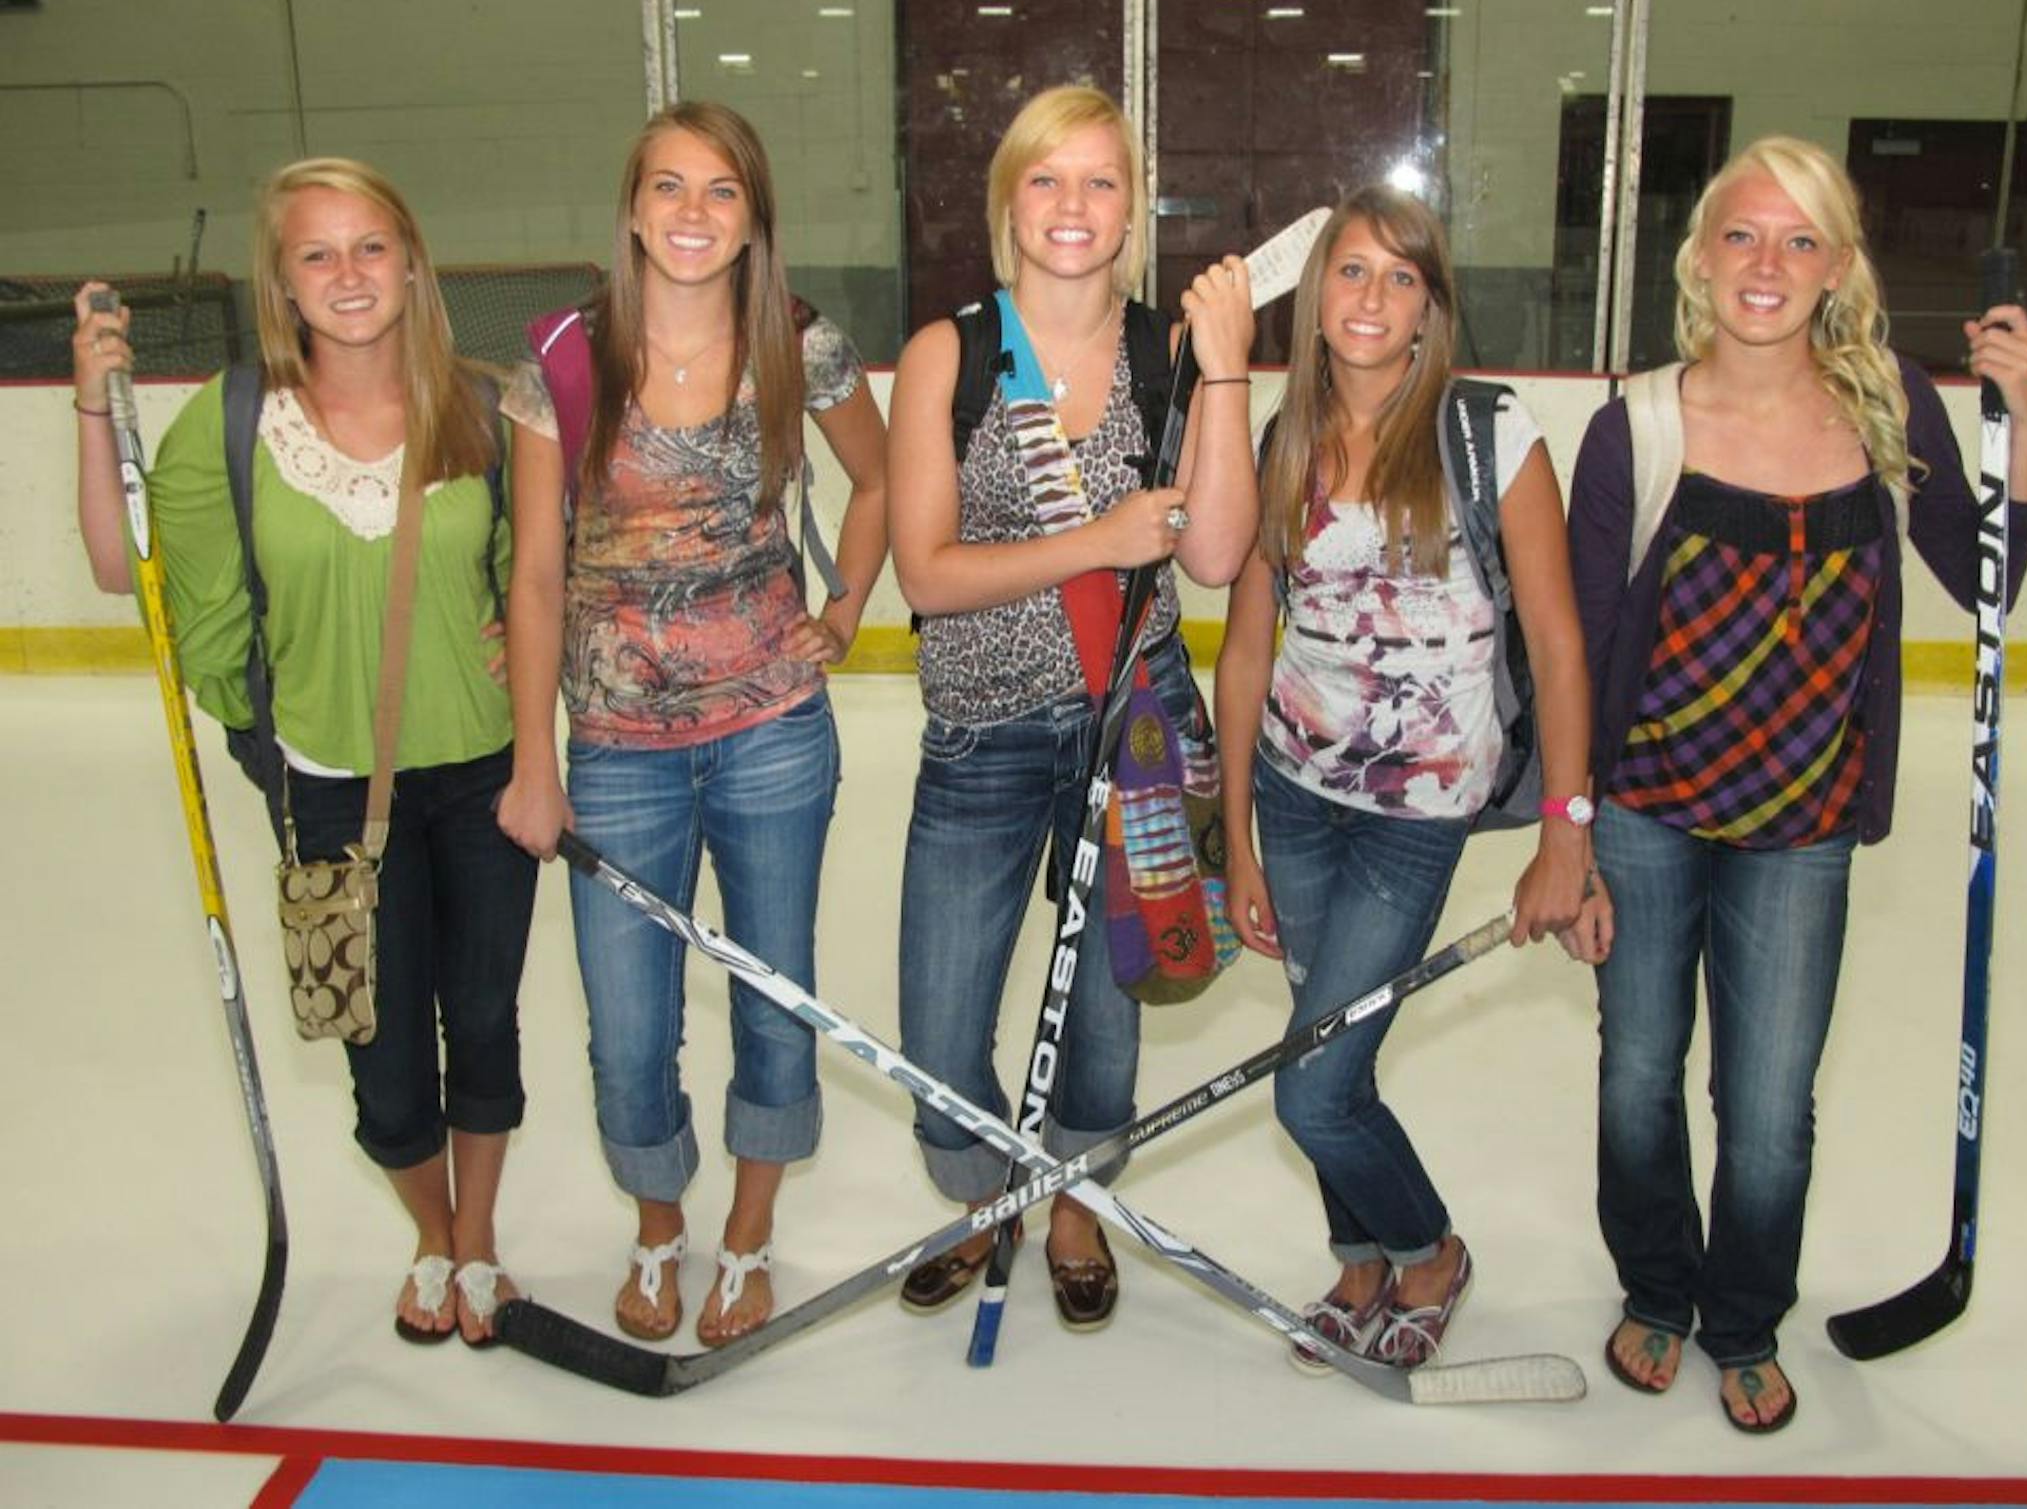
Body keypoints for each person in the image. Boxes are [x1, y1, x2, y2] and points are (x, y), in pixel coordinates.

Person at [1563, 136, 2027, 1432]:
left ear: (1837, 264)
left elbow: (1984, 581)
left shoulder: (1889, 402)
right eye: (1741, 235)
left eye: (1798, 240)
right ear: (1699, 255)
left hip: (1803, 828)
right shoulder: (1640, 425)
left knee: (1770, 1110)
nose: (1765, 265)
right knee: (1638, 1072)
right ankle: (1658, 1290)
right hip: (1647, 814)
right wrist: (1568, 829)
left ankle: (1743, 1318)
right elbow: (1576, 649)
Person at [71, 159, 538, 1347]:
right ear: (280, 281)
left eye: (371, 247)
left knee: (482, 1018)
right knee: (378, 1053)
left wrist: (531, 661)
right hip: (332, 795)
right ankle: (429, 1238)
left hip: (485, 773)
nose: (349, 275)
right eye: (317, 254)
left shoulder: (483, 408)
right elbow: (126, 568)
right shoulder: (234, 423)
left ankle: (477, 1240)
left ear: (413, 261)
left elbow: (545, 576)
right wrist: (90, 408)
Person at [494, 102, 886, 1349]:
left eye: (722, 192)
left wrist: (848, 604)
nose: (693, 215)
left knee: (775, 996)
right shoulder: (561, 359)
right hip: (615, 750)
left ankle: (750, 1237)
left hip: (774, 727)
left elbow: (879, 480)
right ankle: (661, 1229)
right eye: (669, 187)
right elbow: (537, 577)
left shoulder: (799, 346)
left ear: (755, 218)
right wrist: (533, 763)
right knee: (627, 1024)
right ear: (630, 209)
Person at [884, 84, 1255, 1331]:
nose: (1072, 206)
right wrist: (1096, 537)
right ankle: (991, 1189)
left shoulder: (1167, 353)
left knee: (1105, 1015)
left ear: (1134, 208)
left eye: (1100, 181)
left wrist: (1227, 374)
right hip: (982, 736)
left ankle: (1075, 1203)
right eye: (1046, 179)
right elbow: (927, 572)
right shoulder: (953, 354)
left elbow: (1210, 559)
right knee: (939, 1035)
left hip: (1130, 726)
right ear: (1008, 203)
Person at [1212, 187, 1593, 1373]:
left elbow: (1562, 641)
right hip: (1295, 792)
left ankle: (1430, 1254)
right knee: (1329, 1047)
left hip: (1417, 819)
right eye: (1351, 272)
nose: (1372, 298)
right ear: (1315, 297)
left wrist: (1568, 834)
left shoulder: (1490, 436)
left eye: (1401, 277)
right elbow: (1241, 650)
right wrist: (1234, 838)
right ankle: (1361, 1264)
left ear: (1431, 307)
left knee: (1314, 1088)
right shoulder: (1281, 444)